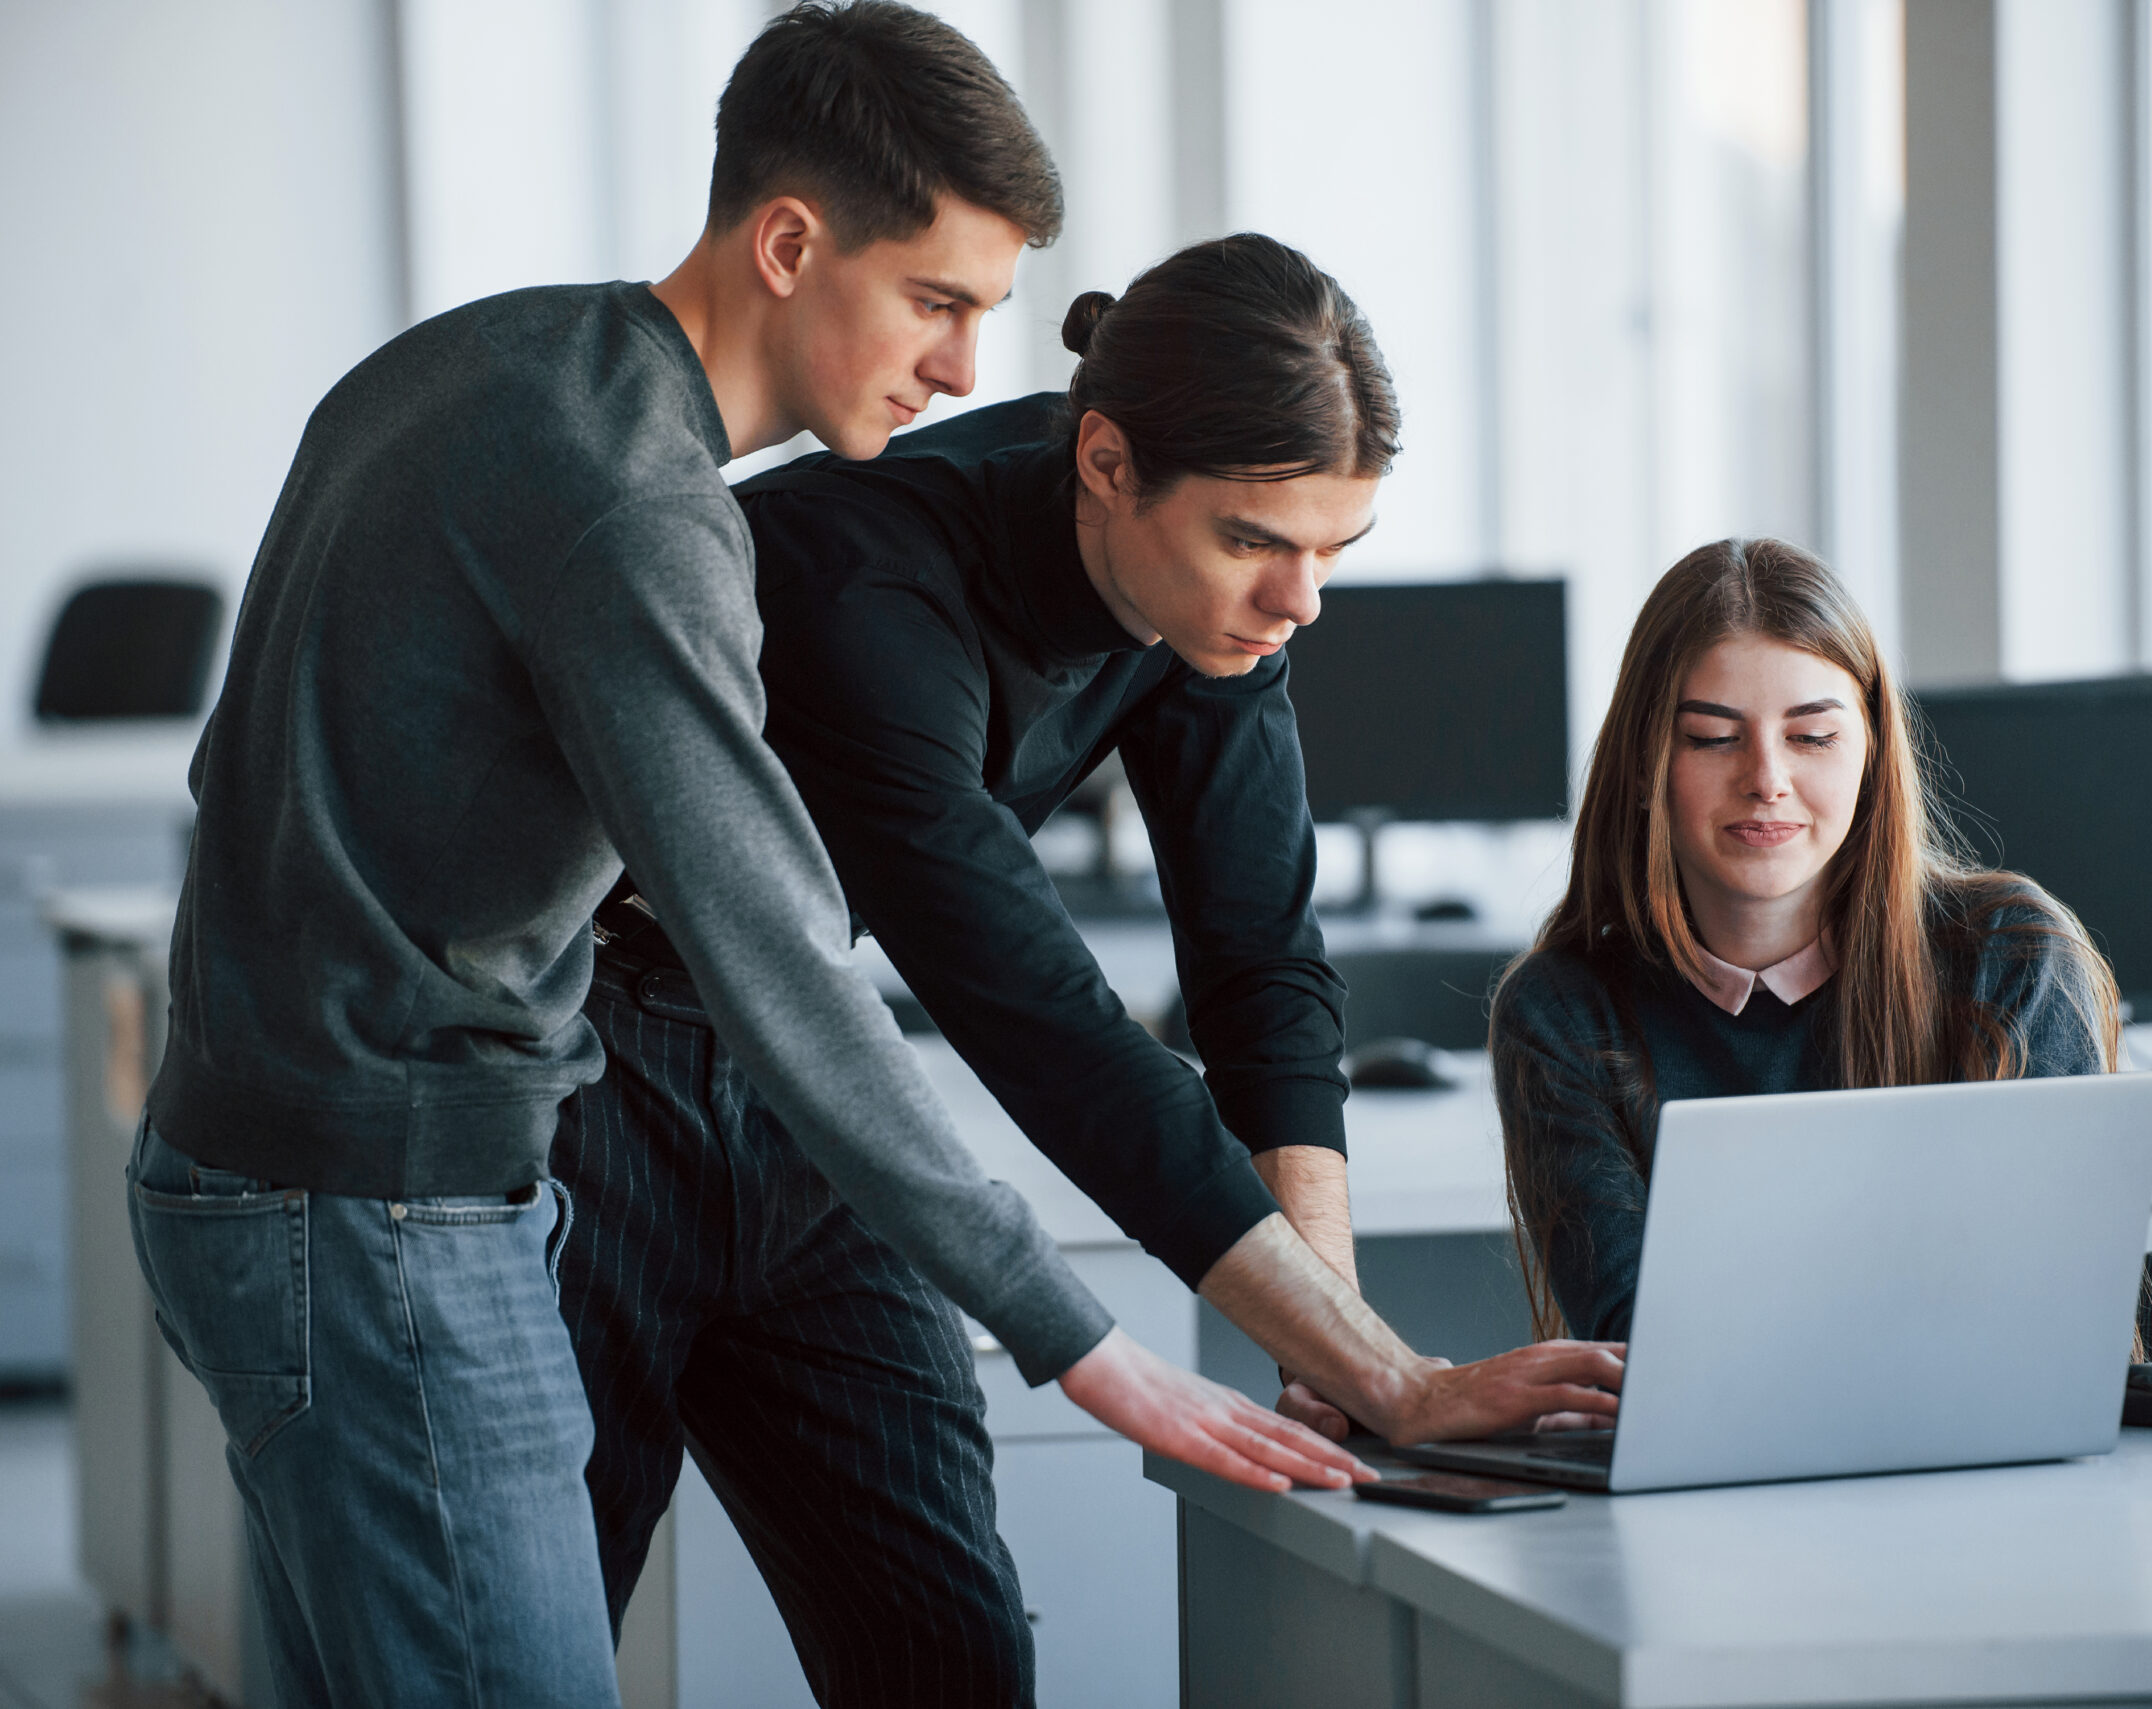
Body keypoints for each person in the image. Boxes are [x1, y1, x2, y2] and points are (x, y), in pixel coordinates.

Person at [126, 5, 1368, 1703]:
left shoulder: (497, 358)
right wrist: (1077, 1334)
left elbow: (241, 761)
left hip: (327, 1153)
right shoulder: (646, 508)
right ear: (790, 243)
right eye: (936, 301)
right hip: (386, 1180)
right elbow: (790, 959)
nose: (955, 370)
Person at [560, 228, 1627, 1705]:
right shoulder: (864, 585)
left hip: (806, 1087)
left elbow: (1258, 968)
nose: (1299, 600)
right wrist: (1400, 1378)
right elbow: (1052, 1029)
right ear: (1109, 461)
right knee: (532, 1654)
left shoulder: (1215, 611)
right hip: (588, 1081)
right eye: (1257, 541)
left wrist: (1336, 1351)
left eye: (1335, 551)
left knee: (952, 1656)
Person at [1494, 537, 2122, 1345]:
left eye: (1812, 736)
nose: (1766, 778)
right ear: (1646, 760)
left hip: (1995, 1457)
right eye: (1713, 737)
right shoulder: (1562, 1013)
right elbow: (1647, 1350)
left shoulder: (2011, 957)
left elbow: (2058, 1310)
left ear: (1870, 753)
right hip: (1718, 1465)